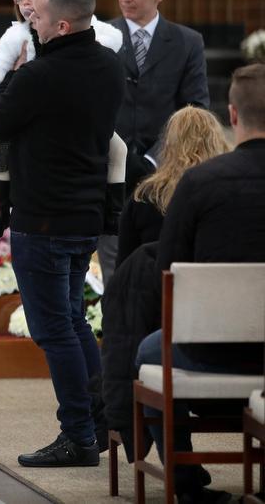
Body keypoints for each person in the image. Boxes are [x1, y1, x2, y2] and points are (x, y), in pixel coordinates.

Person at [0, 0, 125, 467]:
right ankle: (101, 419)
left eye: (37, 15)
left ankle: (78, 436)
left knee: (53, 329)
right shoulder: (109, 66)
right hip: (85, 213)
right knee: (73, 320)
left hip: (42, 218)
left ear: (61, 24)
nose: (29, 20)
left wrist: (16, 76)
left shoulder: (40, 75)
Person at [135, 63, 265, 504]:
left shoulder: (200, 182)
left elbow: (166, 274)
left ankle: (186, 480)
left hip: (211, 350)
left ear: (232, 114)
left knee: (149, 349)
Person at [100, 106, 230, 463]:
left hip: (158, 326)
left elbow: (124, 276)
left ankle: (180, 463)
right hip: (229, 324)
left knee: (151, 355)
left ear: (168, 145)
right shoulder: (227, 198)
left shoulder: (145, 198)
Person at [0, 0, 128, 239]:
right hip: (31, 120)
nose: (27, 4)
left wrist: (85, 53)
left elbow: (112, 39)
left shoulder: (92, 33)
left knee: (119, 149)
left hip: (73, 119)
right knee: (3, 148)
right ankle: (0, 208)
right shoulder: (16, 35)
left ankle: (114, 210)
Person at [97, 0, 210, 281]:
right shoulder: (100, 38)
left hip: (165, 175)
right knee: (114, 268)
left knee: (160, 266)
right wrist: (120, 155)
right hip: (109, 173)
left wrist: (151, 159)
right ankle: (115, 327)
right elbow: (89, 107)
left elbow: (195, 110)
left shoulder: (188, 42)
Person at [115, 106, 230, 267]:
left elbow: (124, 265)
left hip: (154, 287)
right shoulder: (227, 194)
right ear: (217, 141)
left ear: (168, 145)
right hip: (215, 286)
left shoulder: (145, 197)